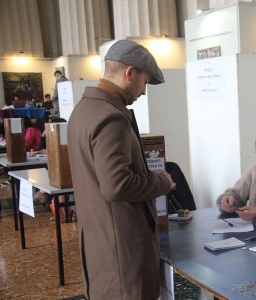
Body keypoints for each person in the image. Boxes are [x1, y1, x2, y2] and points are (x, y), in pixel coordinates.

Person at [67, 39, 175, 300]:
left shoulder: (83, 110)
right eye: (145, 82)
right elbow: (117, 185)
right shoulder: (111, 116)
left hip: (101, 245)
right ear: (130, 73)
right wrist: (162, 182)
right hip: (122, 255)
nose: (144, 91)